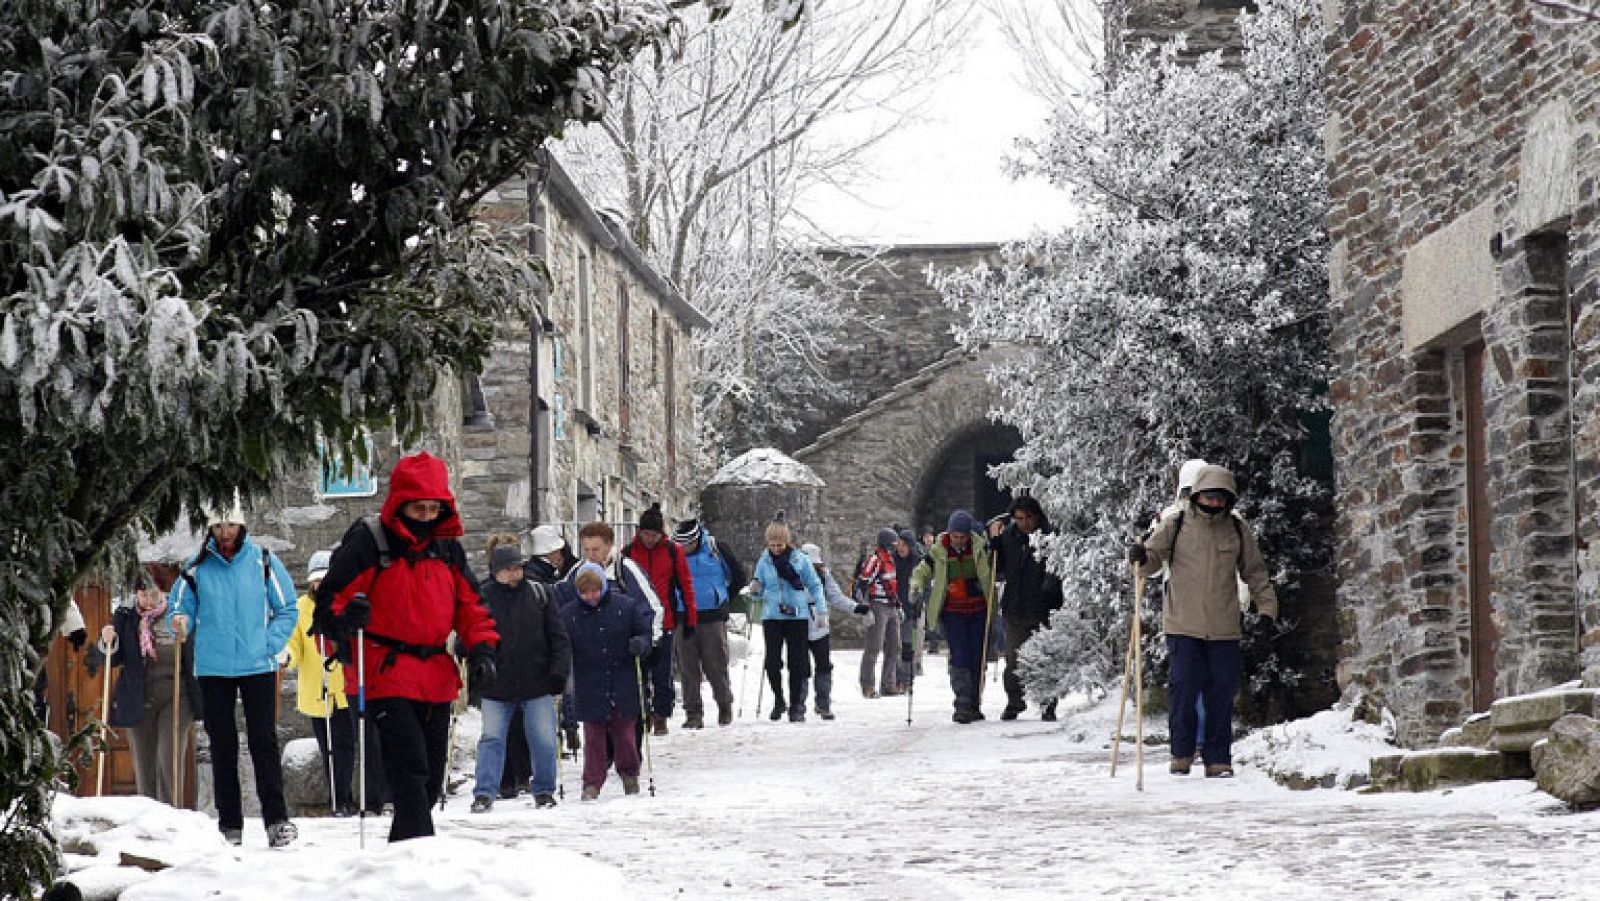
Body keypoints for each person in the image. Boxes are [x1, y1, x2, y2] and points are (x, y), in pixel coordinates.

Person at [314, 451, 499, 842]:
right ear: (401, 504)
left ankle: (405, 851)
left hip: (434, 672)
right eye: (419, 509)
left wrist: (481, 648)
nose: (428, 517)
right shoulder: (369, 541)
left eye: (434, 509)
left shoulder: (447, 548)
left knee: (430, 778)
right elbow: (329, 602)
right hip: (386, 669)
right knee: (409, 766)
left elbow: (470, 603)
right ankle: (420, 852)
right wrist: (350, 618)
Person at [1128, 464, 1277, 778]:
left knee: (1221, 694)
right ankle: (1181, 753)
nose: (1214, 503)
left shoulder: (1237, 529)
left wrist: (1266, 611)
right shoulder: (1176, 524)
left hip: (1224, 625)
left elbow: (1256, 572)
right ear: (1196, 495)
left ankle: (1218, 758)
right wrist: (1141, 557)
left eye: (1220, 498)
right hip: (1183, 623)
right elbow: (1154, 559)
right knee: (1184, 689)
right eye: (1208, 497)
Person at [168, 496, 299, 847]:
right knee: (222, 745)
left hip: (258, 665)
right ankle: (230, 824)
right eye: (219, 526)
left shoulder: (264, 562)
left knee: (263, 742)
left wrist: (269, 644)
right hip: (214, 667)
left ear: (242, 525)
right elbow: (179, 608)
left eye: (231, 525)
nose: (225, 532)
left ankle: (277, 820)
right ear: (210, 528)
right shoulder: (195, 568)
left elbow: (287, 608)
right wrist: (179, 622)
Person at [471, 543, 571, 812]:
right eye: (509, 569)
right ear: (496, 572)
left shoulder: (540, 593)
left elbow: (558, 637)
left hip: (537, 682)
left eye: (518, 568)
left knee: (544, 739)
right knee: (491, 739)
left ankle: (544, 790)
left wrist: (558, 673)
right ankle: (484, 793)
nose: (515, 574)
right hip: (496, 685)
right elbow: (471, 637)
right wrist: (477, 664)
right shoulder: (481, 597)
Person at [286, 550, 386, 817]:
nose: (321, 584)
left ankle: (369, 799)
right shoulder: (301, 608)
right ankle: (340, 800)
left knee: (353, 744)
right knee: (331, 748)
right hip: (317, 690)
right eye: (317, 580)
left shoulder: (346, 605)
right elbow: (295, 645)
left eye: (326, 578)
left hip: (347, 686)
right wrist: (287, 657)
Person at [91, 561, 199, 807]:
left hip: (176, 694)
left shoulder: (179, 613)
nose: (148, 601)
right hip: (138, 695)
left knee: (169, 755)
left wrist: (184, 632)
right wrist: (108, 640)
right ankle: (147, 820)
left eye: (154, 594)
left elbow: (197, 652)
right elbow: (110, 658)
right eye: (143, 594)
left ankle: (172, 815)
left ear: (164, 593)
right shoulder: (126, 615)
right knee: (143, 761)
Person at [562, 562, 653, 799]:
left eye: (595, 591)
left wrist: (641, 644)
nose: (591, 597)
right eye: (584, 593)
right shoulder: (569, 615)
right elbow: (560, 643)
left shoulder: (625, 606)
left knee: (625, 733)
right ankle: (592, 782)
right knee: (593, 736)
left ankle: (630, 775)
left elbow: (645, 633)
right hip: (589, 682)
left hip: (622, 679)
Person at [910, 510, 995, 724]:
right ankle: (962, 703)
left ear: (968, 535)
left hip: (978, 610)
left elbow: (994, 567)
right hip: (953, 611)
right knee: (959, 655)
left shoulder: (980, 547)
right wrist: (916, 587)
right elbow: (922, 571)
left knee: (978, 655)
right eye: (955, 536)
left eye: (962, 536)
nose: (958, 540)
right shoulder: (939, 550)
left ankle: (974, 702)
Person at [986, 497, 1065, 722]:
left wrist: (1050, 586)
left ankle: (1048, 703)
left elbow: (1057, 567)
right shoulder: (1008, 537)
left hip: (1044, 606)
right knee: (1013, 658)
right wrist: (994, 544)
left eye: (1028, 517)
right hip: (1015, 606)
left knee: (1046, 658)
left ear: (1037, 516)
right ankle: (1014, 701)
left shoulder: (1050, 536)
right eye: (1019, 518)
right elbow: (998, 568)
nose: (1024, 523)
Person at [623, 503, 696, 736]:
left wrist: (691, 618)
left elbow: (686, 585)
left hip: (665, 621)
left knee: (663, 674)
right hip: (636, 624)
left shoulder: (673, 552)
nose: (650, 539)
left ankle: (661, 715)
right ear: (639, 532)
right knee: (638, 674)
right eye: (646, 534)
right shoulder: (628, 553)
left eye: (655, 535)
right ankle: (641, 715)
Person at [748, 519, 825, 723]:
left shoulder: (800, 559)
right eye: (772, 545)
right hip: (772, 615)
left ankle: (796, 705)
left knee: (797, 663)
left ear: (787, 542)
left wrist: (822, 611)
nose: (776, 549)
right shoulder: (763, 561)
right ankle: (779, 699)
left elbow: (815, 585)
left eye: (779, 545)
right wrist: (755, 591)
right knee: (772, 662)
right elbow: (758, 588)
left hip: (797, 615)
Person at [672, 518, 746, 728]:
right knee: (688, 668)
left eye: (687, 544)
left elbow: (739, 576)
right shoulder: (673, 552)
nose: (684, 549)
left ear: (696, 539)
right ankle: (693, 713)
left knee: (716, 665)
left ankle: (724, 705)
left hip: (712, 616)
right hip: (683, 615)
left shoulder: (716, 548)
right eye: (680, 545)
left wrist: (722, 598)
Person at [800, 543, 857, 720]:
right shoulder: (791, 574)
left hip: (819, 626)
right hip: (797, 625)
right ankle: (798, 704)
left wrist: (856, 608)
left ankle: (823, 704)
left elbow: (836, 598)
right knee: (800, 667)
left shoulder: (824, 576)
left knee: (824, 665)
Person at [854, 528, 903, 699]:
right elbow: (862, 583)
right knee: (874, 646)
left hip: (891, 606)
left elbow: (892, 584)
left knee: (894, 646)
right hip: (877, 605)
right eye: (894, 543)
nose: (896, 546)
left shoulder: (891, 560)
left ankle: (888, 683)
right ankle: (867, 685)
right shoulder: (875, 560)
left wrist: (898, 605)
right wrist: (865, 607)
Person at [891, 528, 923, 690]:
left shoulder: (917, 562)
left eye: (904, 545)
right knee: (894, 646)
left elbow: (923, 585)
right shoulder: (892, 561)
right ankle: (896, 678)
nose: (901, 548)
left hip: (910, 610)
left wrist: (918, 602)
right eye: (899, 544)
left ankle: (908, 679)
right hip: (894, 608)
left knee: (907, 646)